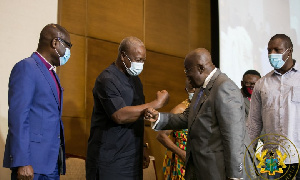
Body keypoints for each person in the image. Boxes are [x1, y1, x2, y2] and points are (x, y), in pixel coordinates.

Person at [145, 48, 255, 180]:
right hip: (202, 169)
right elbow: (188, 117)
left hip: (219, 171)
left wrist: (235, 176)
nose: (187, 77)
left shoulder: (224, 87)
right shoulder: (201, 88)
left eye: (188, 71)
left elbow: (234, 136)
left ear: (201, 67)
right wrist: (159, 117)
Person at [86, 36, 169, 180]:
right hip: (109, 160)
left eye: (143, 60)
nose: (140, 64)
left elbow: (139, 114)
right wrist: (157, 103)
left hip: (132, 158)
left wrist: (143, 146)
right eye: (137, 60)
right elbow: (119, 115)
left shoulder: (135, 81)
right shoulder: (107, 79)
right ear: (123, 55)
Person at [3, 24, 72, 180]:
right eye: (68, 45)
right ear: (55, 43)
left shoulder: (51, 73)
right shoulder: (26, 67)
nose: (68, 52)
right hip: (32, 163)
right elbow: (19, 117)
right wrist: (23, 161)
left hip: (51, 162)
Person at [248, 34, 300, 179]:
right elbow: (254, 123)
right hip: (272, 157)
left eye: (277, 50)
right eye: (269, 50)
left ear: (289, 51)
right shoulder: (261, 84)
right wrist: (248, 153)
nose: (272, 54)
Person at [156, 79, 195, 180]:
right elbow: (161, 135)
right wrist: (181, 153)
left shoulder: (207, 108)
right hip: (183, 163)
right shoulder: (180, 110)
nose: (195, 90)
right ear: (186, 90)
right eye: (191, 89)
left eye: (197, 88)